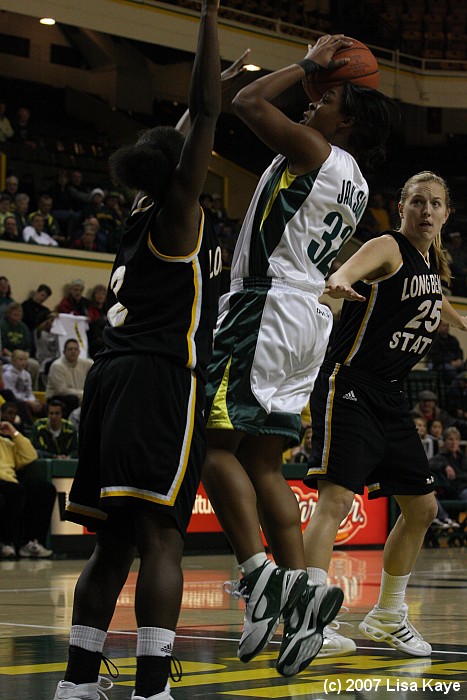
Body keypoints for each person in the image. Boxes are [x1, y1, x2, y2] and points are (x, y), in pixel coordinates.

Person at [202, 34, 394, 677]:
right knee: (261, 459)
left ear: (348, 116)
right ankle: (304, 591)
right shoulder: (358, 183)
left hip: (267, 307)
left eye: (326, 97)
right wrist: (320, 79)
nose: (312, 101)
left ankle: (259, 577)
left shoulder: (317, 149)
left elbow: (250, 101)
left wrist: (304, 67)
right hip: (307, 317)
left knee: (211, 445)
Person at [52, 3, 222, 699]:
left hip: (109, 381)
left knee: (112, 543)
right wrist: (210, 17)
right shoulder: (179, 212)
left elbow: (183, 127)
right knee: (161, 539)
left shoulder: (138, 213)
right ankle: (153, 687)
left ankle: (76, 683)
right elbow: (203, 107)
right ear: (177, 166)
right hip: (157, 381)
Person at [302, 170, 467, 659]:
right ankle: (311, 622)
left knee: (423, 508)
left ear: (446, 213)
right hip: (349, 382)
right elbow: (347, 272)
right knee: (334, 501)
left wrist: (458, 318)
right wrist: (338, 281)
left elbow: (436, 301)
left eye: (436, 203)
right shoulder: (389, 247)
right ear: (402, 207)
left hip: (390, 396)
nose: (427, 211)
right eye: (418, 201)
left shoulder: (429, 267)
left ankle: (388, 616)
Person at [0, 401, 55, 559]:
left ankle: (30, 542)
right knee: (16, 491)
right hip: (6, 484)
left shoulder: (9, 442)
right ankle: (6, 542)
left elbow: (30, 456)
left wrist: (14, 433)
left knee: (45, 490)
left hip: (11, 482)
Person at [46, 338, 93, 417]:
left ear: (79, 352)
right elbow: (61, 390)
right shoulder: (57, 366)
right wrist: (82, 393)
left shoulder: (85, 363)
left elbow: (97, 367)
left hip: (79, 396)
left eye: (75, 349)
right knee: (73, 399)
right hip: (57, 398)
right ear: (64, 352)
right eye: (70, 349)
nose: (73, 351)